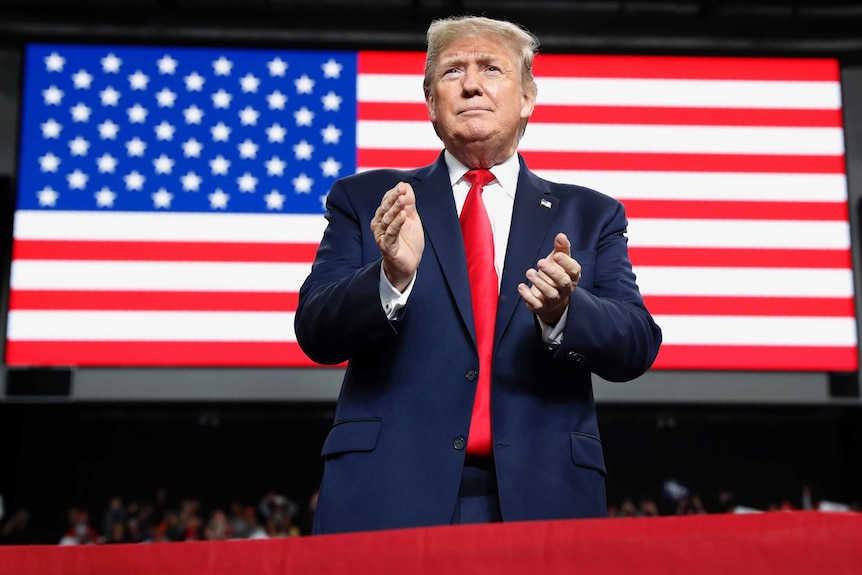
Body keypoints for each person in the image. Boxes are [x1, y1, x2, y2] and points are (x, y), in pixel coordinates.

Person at [294, 14, 662, 534]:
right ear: (429, 102)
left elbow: (636, 347)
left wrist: (564, 312)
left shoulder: (591, 214)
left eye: (491, 68)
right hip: (386, 494)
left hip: (544, 495)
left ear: (527, 98)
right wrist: (390, 277)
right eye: (452, 71)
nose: (471, 83)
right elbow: (315, 331)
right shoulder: (367, 200)